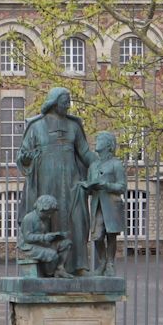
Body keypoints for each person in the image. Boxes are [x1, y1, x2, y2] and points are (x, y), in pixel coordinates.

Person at [16, 87, 94, 275]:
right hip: (46, 182)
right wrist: (26, 158)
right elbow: (23, 156)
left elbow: (84, 153)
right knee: (48, 220)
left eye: (69, 101)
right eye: (64, 101)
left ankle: (79, 266)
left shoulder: (74, 126)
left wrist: (103, 166)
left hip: (72, 182)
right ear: (53, 102)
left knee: (77, 220)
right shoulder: (36, 126)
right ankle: (50, 268)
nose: (68, 105)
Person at [81, 131, 127, 276]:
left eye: (99, 140)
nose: (96, 142)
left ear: (107, 144)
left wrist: (106, 185)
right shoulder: (93, 166)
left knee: (111, 234)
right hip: (97, 205)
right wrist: (87, 186)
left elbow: (122, 186)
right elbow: (90, 184)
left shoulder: (116, 164)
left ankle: (110, 264)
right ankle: (102, 262)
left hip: (111, 205)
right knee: (97, 236)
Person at [16, 195, 72, 278]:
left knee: (66, 244)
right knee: (52, 255)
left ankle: (60, 268)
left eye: (51, 213)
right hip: (28, 247)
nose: (49, 216)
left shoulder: (44, 219)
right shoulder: (29, 218)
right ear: (41, 209)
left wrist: (55, 236)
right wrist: (44, 237)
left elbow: (44, 234)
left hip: (41, 243)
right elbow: (27, 238)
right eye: (48, 213)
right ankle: (49, 274)